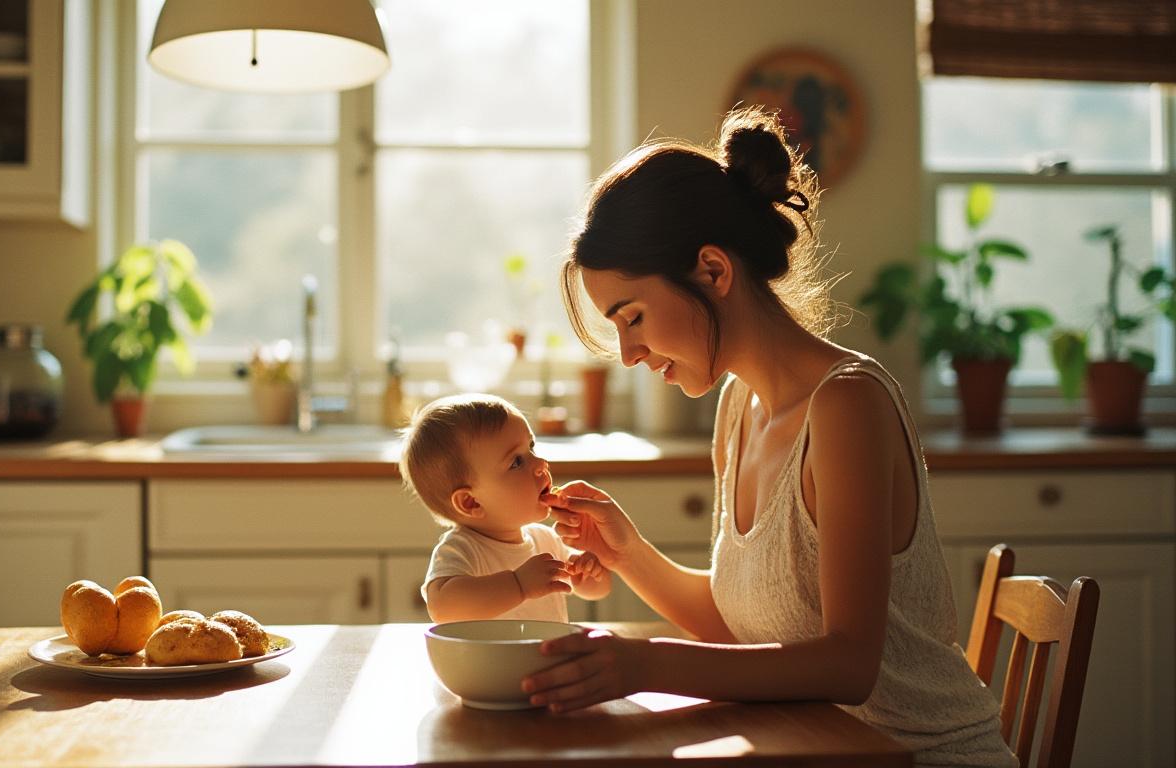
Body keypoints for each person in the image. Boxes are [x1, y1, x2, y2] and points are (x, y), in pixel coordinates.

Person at [525, 106, 1016, 767]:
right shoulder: (738, 406)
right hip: (813, 752)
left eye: (632, 316)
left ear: (713, 271)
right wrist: (627, 552)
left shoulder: (846, 405)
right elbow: (746, 631)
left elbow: (847, 665)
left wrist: (644, 664)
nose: (629, 353)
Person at [399, 393, 610, 623]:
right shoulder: (461, 549)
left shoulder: (546, 540)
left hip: (548, 657)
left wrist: (589, 572)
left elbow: (598, 590)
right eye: (516, 462)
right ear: (471, 502)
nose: (541, 464)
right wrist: (518, 584)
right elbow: (442, 608)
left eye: (532, 447)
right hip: (489, 661)